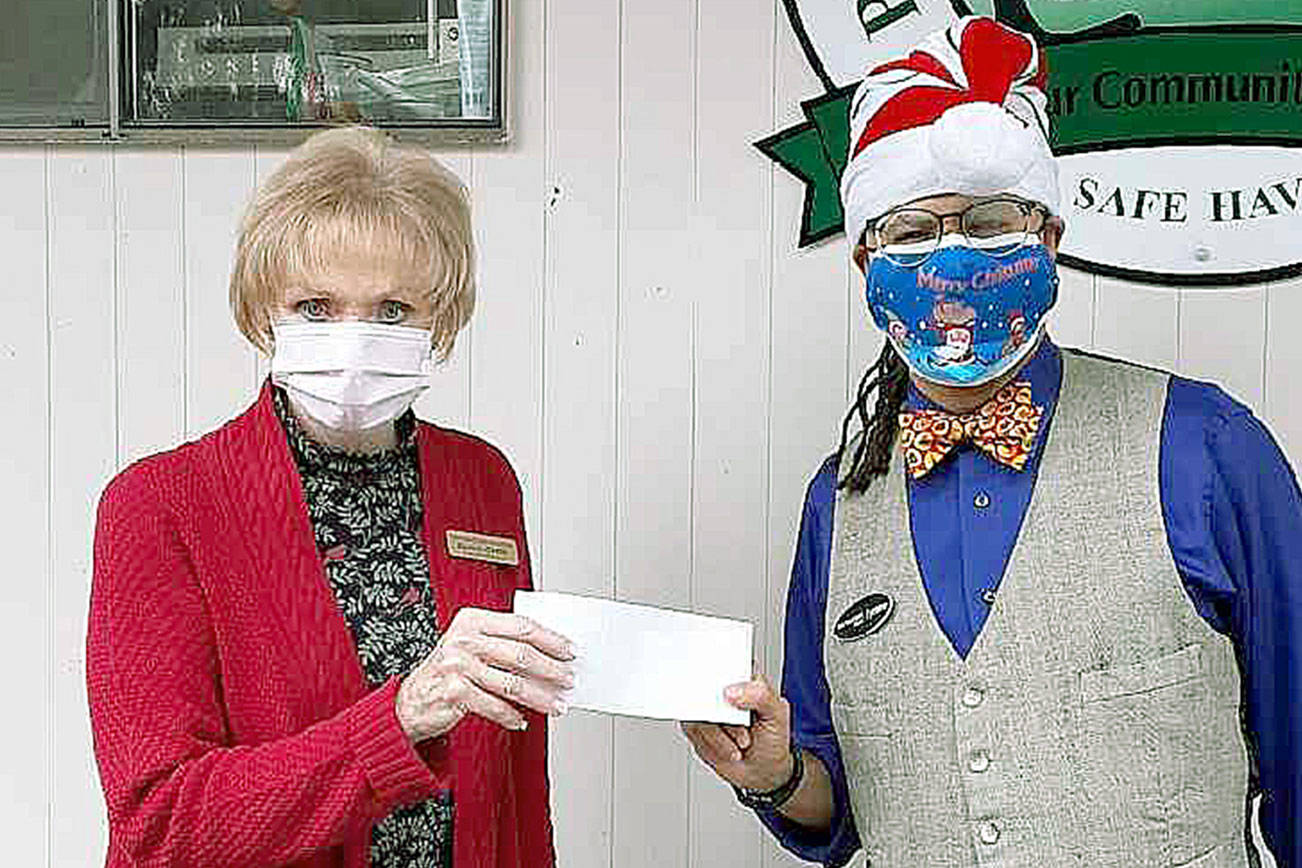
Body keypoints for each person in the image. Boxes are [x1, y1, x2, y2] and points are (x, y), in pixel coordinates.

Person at [682, 16, 1300, 866]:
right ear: (868, 265)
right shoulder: (839, 505)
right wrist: (779, 773)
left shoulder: (1206, 448)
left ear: (1049, 240)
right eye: (913, 232)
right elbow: (837, 816)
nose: (955, 258)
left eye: (989, 221)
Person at [87, 126, 573, 868]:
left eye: (391, 311)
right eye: (315, 307)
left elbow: (514, 777)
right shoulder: (161, 505)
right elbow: (159, 824)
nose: (353, 341)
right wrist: (402, 716)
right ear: (263, 313)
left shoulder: (483, 482)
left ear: (438, 317)